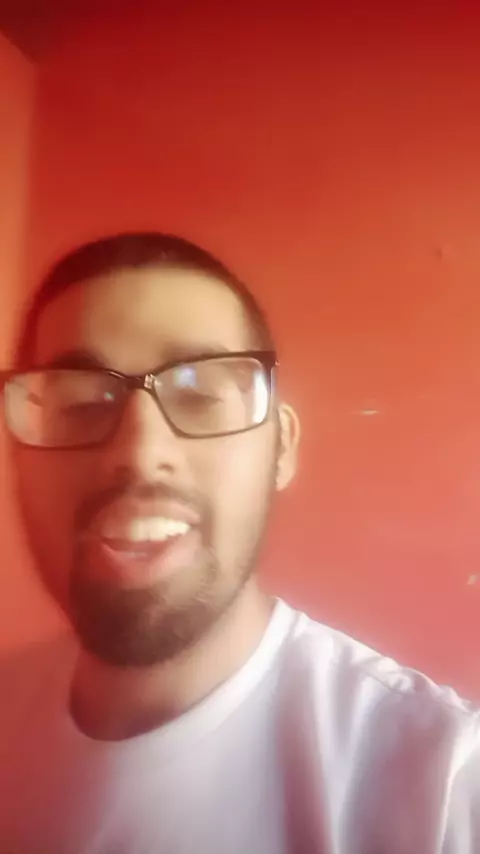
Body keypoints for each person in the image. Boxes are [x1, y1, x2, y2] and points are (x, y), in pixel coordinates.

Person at [0, 232, 478, 854]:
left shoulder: (441, 789)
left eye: (200, 398)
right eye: (81, 404)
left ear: (281, 446)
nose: (140, 453)